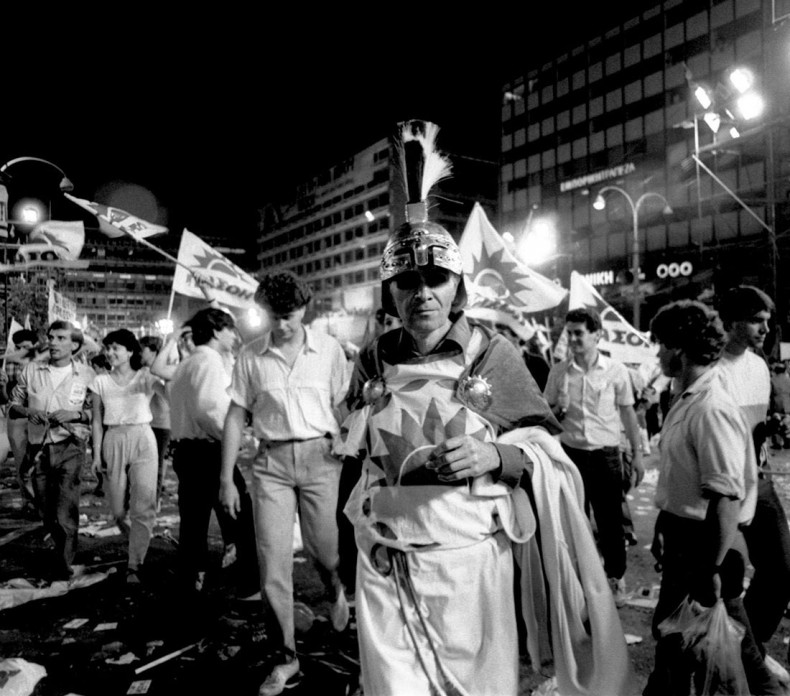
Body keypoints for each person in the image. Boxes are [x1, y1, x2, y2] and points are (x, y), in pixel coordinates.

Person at [334, 120, 630, 696]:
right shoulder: (371, 359)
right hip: (385, 560)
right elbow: (356, 458)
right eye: (408, 281)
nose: (422, 292)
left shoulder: (494, 354)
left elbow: (548, 457)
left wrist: (495, 455)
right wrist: (352, 556)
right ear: (391, 293)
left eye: (436, 279)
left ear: (457, 287)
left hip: (471, 567)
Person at [220, 271, 351, 696]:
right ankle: (285, 658)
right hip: (271, 463)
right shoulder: (251, 356)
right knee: (272, 561)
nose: (281, 325)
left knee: (324, 548)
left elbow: (344, 405)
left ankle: (335, 587)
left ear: (305, 309)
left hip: (321, 458)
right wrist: (226, 477)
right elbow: (236, 415)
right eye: (273, 317)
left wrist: (350, 449)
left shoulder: (329, 350)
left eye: (289, 316)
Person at [643, 300, 783, 696]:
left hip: (704, 549)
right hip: (686, 541)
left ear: (680, 348)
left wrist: (709, 571)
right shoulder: (686, 397)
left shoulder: (710, 407)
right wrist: (662, 527)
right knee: (681, 642)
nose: (657, 354)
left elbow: (725, 502)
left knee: (706, 647)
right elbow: (679, 479)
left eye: (661, 345)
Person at [543, 307, 644, 606]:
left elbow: (628, 413)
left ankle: (615, 576)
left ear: (597, 335)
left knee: (611, 521)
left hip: (607, 456)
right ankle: (581, 581)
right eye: (569, 333)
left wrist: (637, 455)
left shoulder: (616, 371)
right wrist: (559, 408)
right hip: (570, 455)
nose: (572, 339)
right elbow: (547, 416)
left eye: (579, 333)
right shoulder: (558, 372)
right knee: (575, 521)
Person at [160, 308, 257, 596]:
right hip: (208, 451)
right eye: (231, 330)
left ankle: (191, 580)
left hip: (186, 451)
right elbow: (210, 411)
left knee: (193, 521)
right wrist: (234, 439)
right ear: (216, 331)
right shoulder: (210, 362)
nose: (234, 337)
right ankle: (249, 585)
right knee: (240, 517)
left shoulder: (186, 365)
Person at [716, 285, 790, 658]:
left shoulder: (759, 366)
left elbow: (756, 425)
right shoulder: (710, 370)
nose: (765, 329)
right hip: (721, 488)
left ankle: (749, 648)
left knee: (782, 570)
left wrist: (773, 424)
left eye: (768, 321)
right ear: (730, 323)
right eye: (757, 321)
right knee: (711, 579)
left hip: (759, 483)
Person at [8, 321, 95, 580]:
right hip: (39, 447)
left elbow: (98, 413)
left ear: (75, 345)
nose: (53, 342)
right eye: (51, 337)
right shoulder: (33, 370)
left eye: (60, 338)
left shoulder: (87, 375)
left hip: (71, 446)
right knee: (46, 510)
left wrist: (76, 413)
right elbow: (13, 404)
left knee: (66, 509)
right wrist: (29, 411)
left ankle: (64, 566)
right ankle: (59, 551)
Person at [90, 329, 163, 583]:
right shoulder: (100, 381)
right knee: (118, 510)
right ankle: (138, 536)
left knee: (144, 503)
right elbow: (97, 422)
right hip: (113, 439)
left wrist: (158, 371)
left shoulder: (145, 376)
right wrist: (96, 455)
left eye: (115, 348)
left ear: (130, 351)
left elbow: (168, 394)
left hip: (143, 438)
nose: (109, 353)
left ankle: (135, 563)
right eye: (107, 348)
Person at [4, 329, 41, 515]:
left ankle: (42, 502)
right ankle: (29, 503)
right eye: (20, 347)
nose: (23, 351)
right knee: (22, 464)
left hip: (39, 419)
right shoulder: (10, 364)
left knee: (40, 462)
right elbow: (8, 397)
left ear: (35, 346)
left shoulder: (44, 364)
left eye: (27, 347)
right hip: (18, 419)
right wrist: (3, 386)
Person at [139, 335, 172, 506]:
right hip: (145, 423)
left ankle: (154, 500)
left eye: (143, 349)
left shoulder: (160, 372)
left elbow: (168, 396)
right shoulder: (142, 370)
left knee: (156, 464)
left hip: (161, 424)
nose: (139, 352)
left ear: (153, 352)